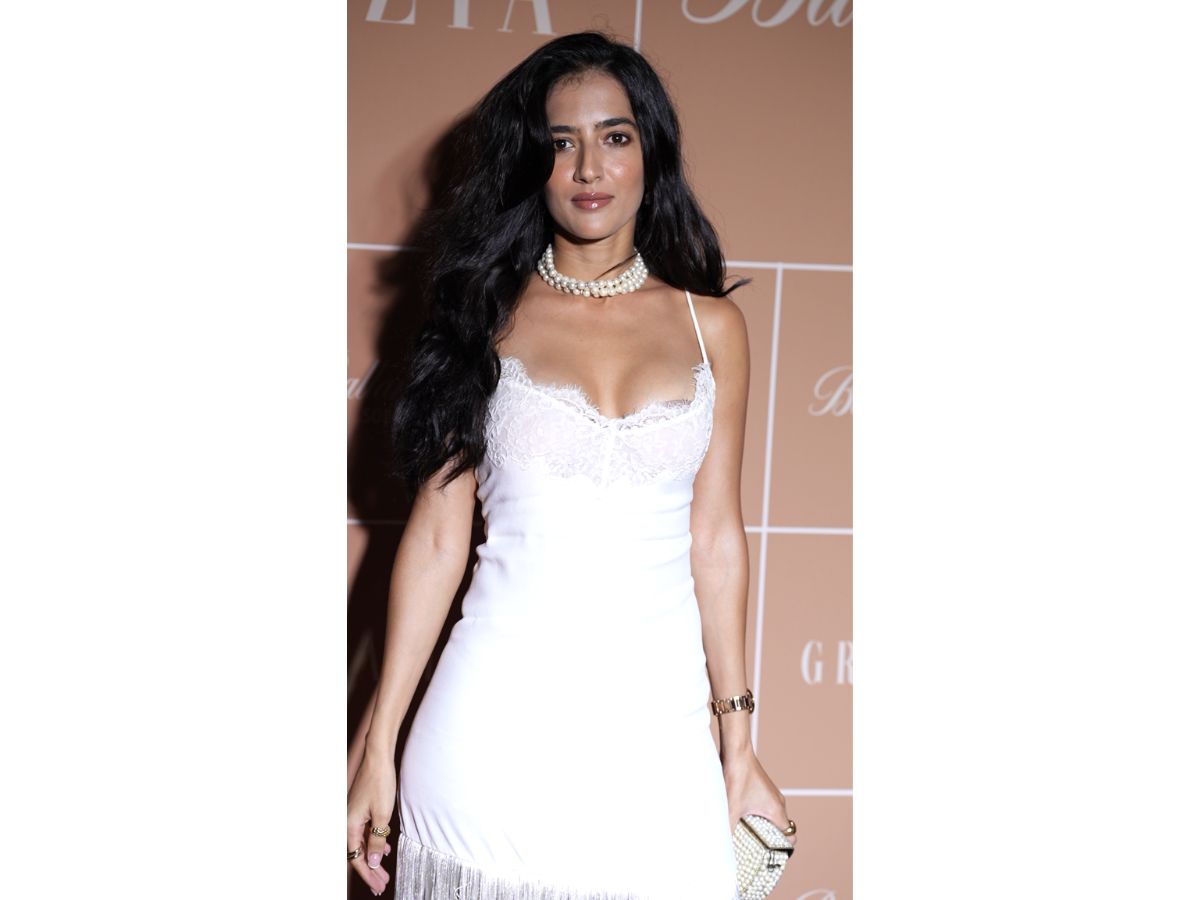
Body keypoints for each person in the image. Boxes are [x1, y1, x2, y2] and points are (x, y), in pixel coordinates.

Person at [347, 30, 797, 899]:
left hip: (657, 738)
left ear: (650, 151)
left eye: (615, 136)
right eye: (561, 142)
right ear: (532, 162)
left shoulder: (713, 328)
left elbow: (716, 540)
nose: (590, 167)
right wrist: (375, 749)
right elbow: (437, 543)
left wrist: (738, 746)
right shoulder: (482, 317)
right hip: (488, 737)